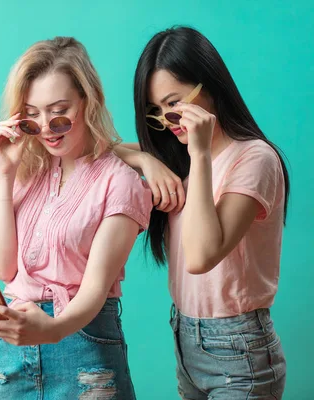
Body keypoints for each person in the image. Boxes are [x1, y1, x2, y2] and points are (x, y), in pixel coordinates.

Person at [0, 36, 152, 399]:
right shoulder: (26, 171)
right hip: (11, 348)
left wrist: (52, 329)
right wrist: (4, 175)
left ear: (87, 101)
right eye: (32, 115)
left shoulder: (120, 182)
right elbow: (2, 268)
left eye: (59, 112)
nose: (45, 127)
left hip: (81, 345)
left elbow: (95, 290)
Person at [118, 26, 290, 399]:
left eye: (175, 103)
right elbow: (98, 148)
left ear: (208, 85)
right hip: (186, 338)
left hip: (240, 349)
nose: (168, 120)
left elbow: (201, 256)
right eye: (157, 111)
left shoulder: (254, 158)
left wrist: (200, 155)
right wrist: (147, 159)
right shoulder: (178, 160)